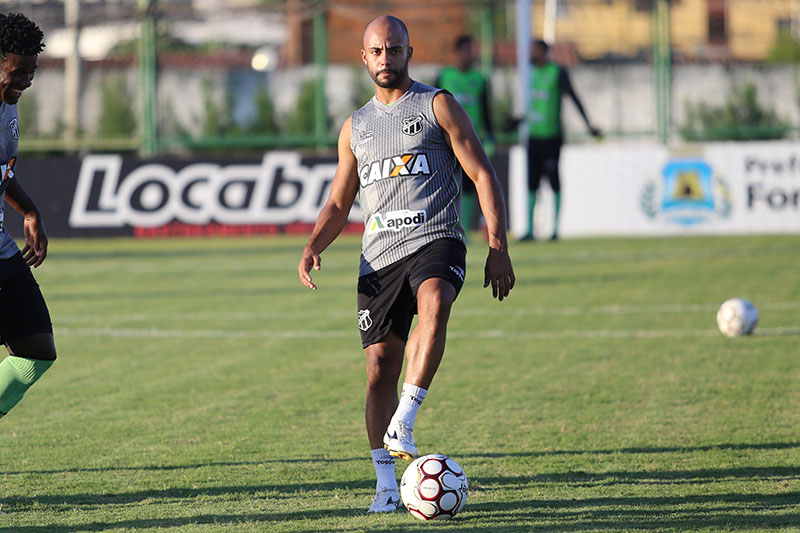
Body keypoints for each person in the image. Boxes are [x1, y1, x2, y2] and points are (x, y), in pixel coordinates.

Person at [297, 15, 515, 514]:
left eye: (395, 50)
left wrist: (497, 244)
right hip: (378, 257)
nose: (386, 59)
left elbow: (481, 173)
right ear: (365, 58)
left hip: (435, 237)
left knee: (435, 300)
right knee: (378, 371)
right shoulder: (355, 126)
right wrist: (314, 245)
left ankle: (407, 417)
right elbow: (337, 201)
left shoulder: (438, 105)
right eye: (377, 51)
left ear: (408, 53)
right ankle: (386, 485)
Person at [0, 13, 56, 422]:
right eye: (17, 72)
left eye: (30, 72)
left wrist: (30, 211)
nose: (25, 81)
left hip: (1, 248)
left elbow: (3, 170)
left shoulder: (7, 106)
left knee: (37, 348)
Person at [522, 39, 601, 241]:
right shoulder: (532, 75)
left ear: (544, 52)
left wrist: (588, 124)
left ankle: (555, 230)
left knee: (553, 180)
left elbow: (574, 97)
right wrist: (517, 121)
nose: (531, 54)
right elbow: (534, 107)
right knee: (532, 182)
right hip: (533, 137)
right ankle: (530, 230)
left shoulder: (557, 72)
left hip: (552, 137)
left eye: (535, 50)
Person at [435, 35, 495, 238]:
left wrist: (491, 137)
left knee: (470, 185)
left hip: (472, 142)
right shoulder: (443, 76)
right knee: (447, 184)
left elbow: (487, 111)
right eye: (469, 50)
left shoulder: (479, 79)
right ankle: (446, 227)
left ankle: (465, 230)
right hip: (447, 141)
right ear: (458, 52)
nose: (472, 55)